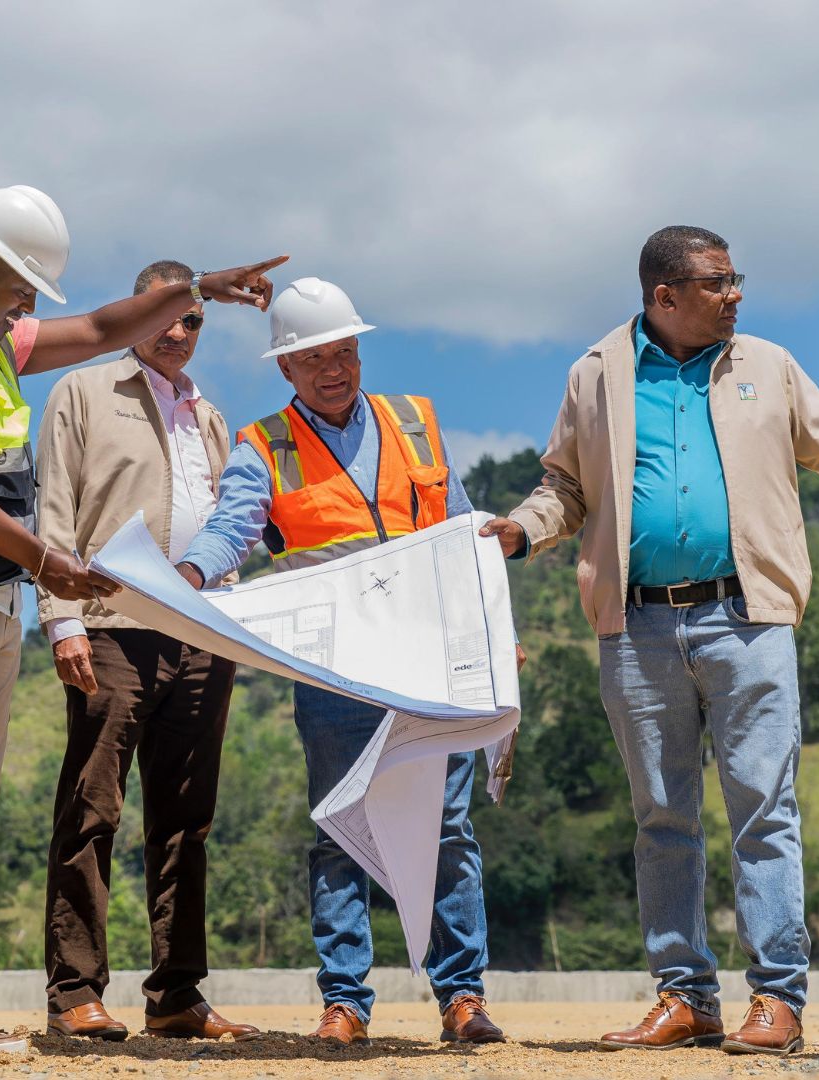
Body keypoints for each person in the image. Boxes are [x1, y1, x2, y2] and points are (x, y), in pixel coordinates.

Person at [0, 184, 284, 1058]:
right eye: (21, 289)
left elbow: (94, 326)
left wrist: (194, 283)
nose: (28, 307)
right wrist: (44, 564)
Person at [481, 226, 819, 1057]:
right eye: (719, 282)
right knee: (662, 818)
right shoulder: (595, 373)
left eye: (735, 278)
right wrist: (521, 532)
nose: (736, 294)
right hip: (636, 625)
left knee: (765, 811)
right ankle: (685, 997)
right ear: (664, 296)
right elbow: (564, 487)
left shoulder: (768, 365)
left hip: (748, 618)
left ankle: (777, 999)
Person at [175, 277, 507, 1048]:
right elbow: (233, 528)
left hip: (430, 661)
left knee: (448, 827)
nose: (335, 368)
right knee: (338, 828)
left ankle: (462, 997)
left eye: (345, 351)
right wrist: (188, 578)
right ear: (285, 368)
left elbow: (461, 532)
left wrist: (492, 628)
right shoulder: (263, 446)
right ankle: (346, 1001)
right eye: (315, 357)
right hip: (336, 672)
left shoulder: (415, 422)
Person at [33, 259, 257, 1042]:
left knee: (187, 820)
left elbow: (233, 523)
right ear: (135, 311)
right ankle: (74, 993)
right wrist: (62, 621)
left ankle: (175, 996)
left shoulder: (213, 416)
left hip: (202, 634)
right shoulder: (82, 393)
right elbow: (54, 508)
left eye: (194, 320)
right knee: (93, 809)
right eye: (164, 315)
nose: (177, 332)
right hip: (110, 627)